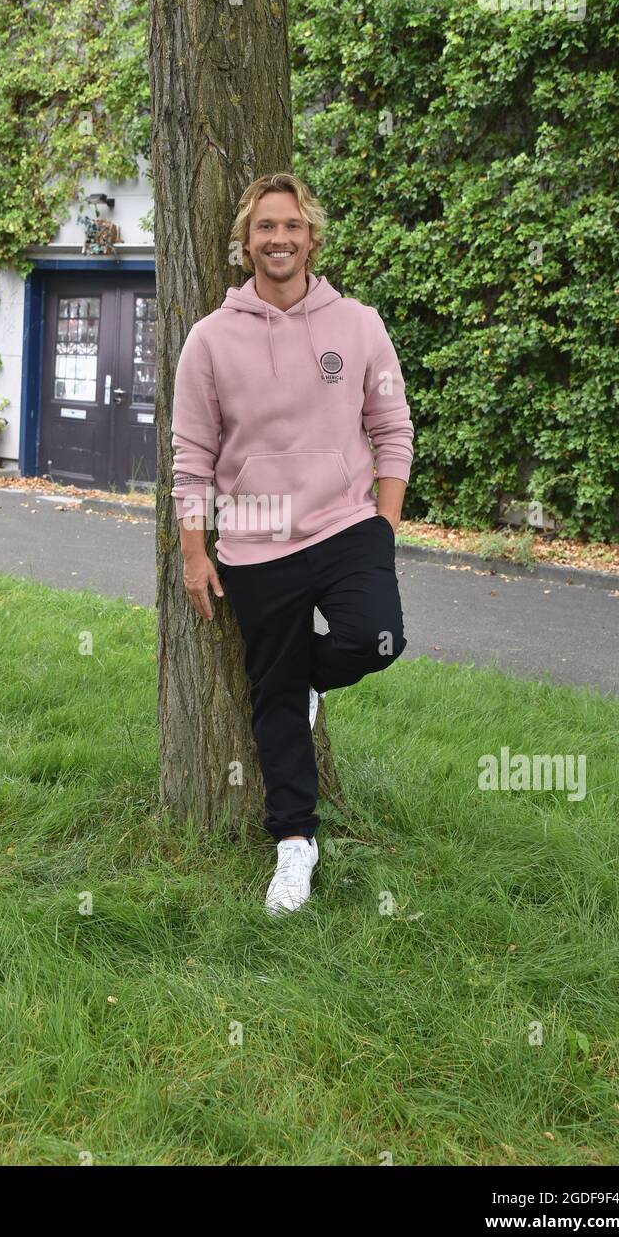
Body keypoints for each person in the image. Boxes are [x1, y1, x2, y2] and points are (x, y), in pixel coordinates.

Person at [170, 172, 414, 916]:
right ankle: (293, 846)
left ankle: (301, 680)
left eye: (292, 226)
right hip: (253, 544)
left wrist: (383, 524)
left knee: (377, 639)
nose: (278, 239)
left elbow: (392, 431)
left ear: (311, 237)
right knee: (273, 699)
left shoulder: (359, 324)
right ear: (244, 244)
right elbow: (190, 453)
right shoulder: (210, 338)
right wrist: (192, 550)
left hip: (345, 526)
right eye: (264, 228)